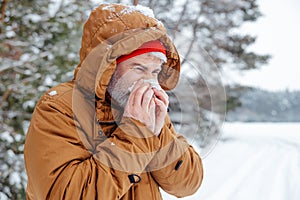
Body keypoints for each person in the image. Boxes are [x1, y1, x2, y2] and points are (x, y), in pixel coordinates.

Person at [24, 3, 203, 200]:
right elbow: (65, 195)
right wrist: (136, 132)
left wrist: (160, 135)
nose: (149, 82)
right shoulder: (59, 107)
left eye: (155, 71)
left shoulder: (144, 108)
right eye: (139, 69)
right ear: (107, 66)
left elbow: (187, 184)